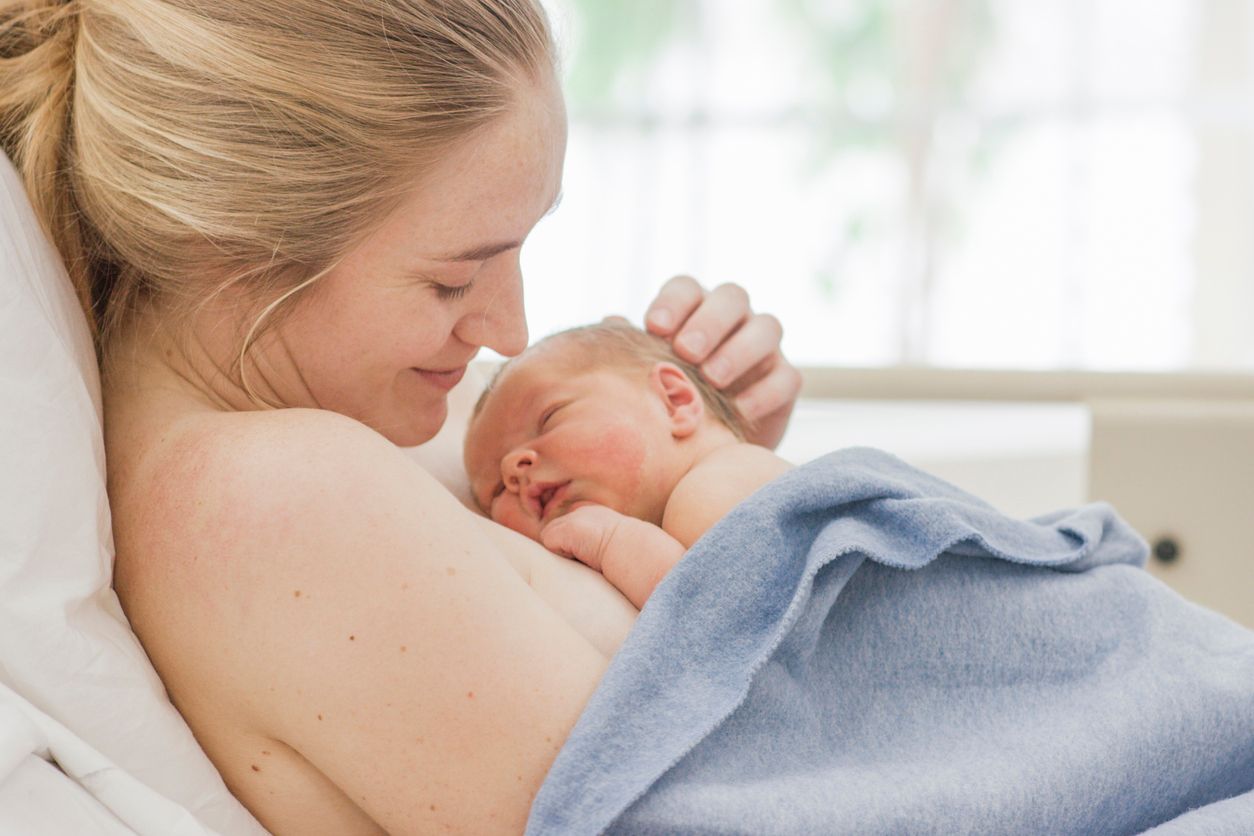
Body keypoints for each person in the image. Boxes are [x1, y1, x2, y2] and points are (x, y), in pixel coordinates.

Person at [0, 1, 802, 832]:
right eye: (454, 280)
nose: (510, 331)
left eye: (521, 247)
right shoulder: (278, 503)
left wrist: (709, 473)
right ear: (240, 250)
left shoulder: (350, 413)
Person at [465, 322, 794, 609]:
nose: (512, 468)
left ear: (674, 400)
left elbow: (729, 623)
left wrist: (613, 543)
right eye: (496, 491)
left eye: (549, 418)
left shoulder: (717, 483)